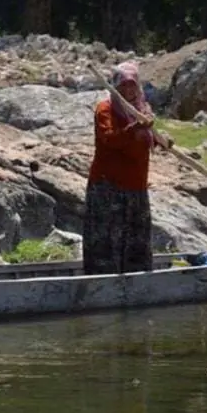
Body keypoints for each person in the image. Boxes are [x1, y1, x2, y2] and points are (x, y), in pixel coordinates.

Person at [82, 61, 172, 276]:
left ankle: (137, 285)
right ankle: (102, 284)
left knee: (136, 243)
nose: (128, 90)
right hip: (109, 187)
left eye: (132, 85)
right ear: (115, 87)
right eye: (123, 86)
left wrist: (162, 140)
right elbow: (109, 139)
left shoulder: (143, 110)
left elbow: (146, 138)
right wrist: (133, 128)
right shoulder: (105, 109)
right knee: (107, 243)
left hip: (136, 186)